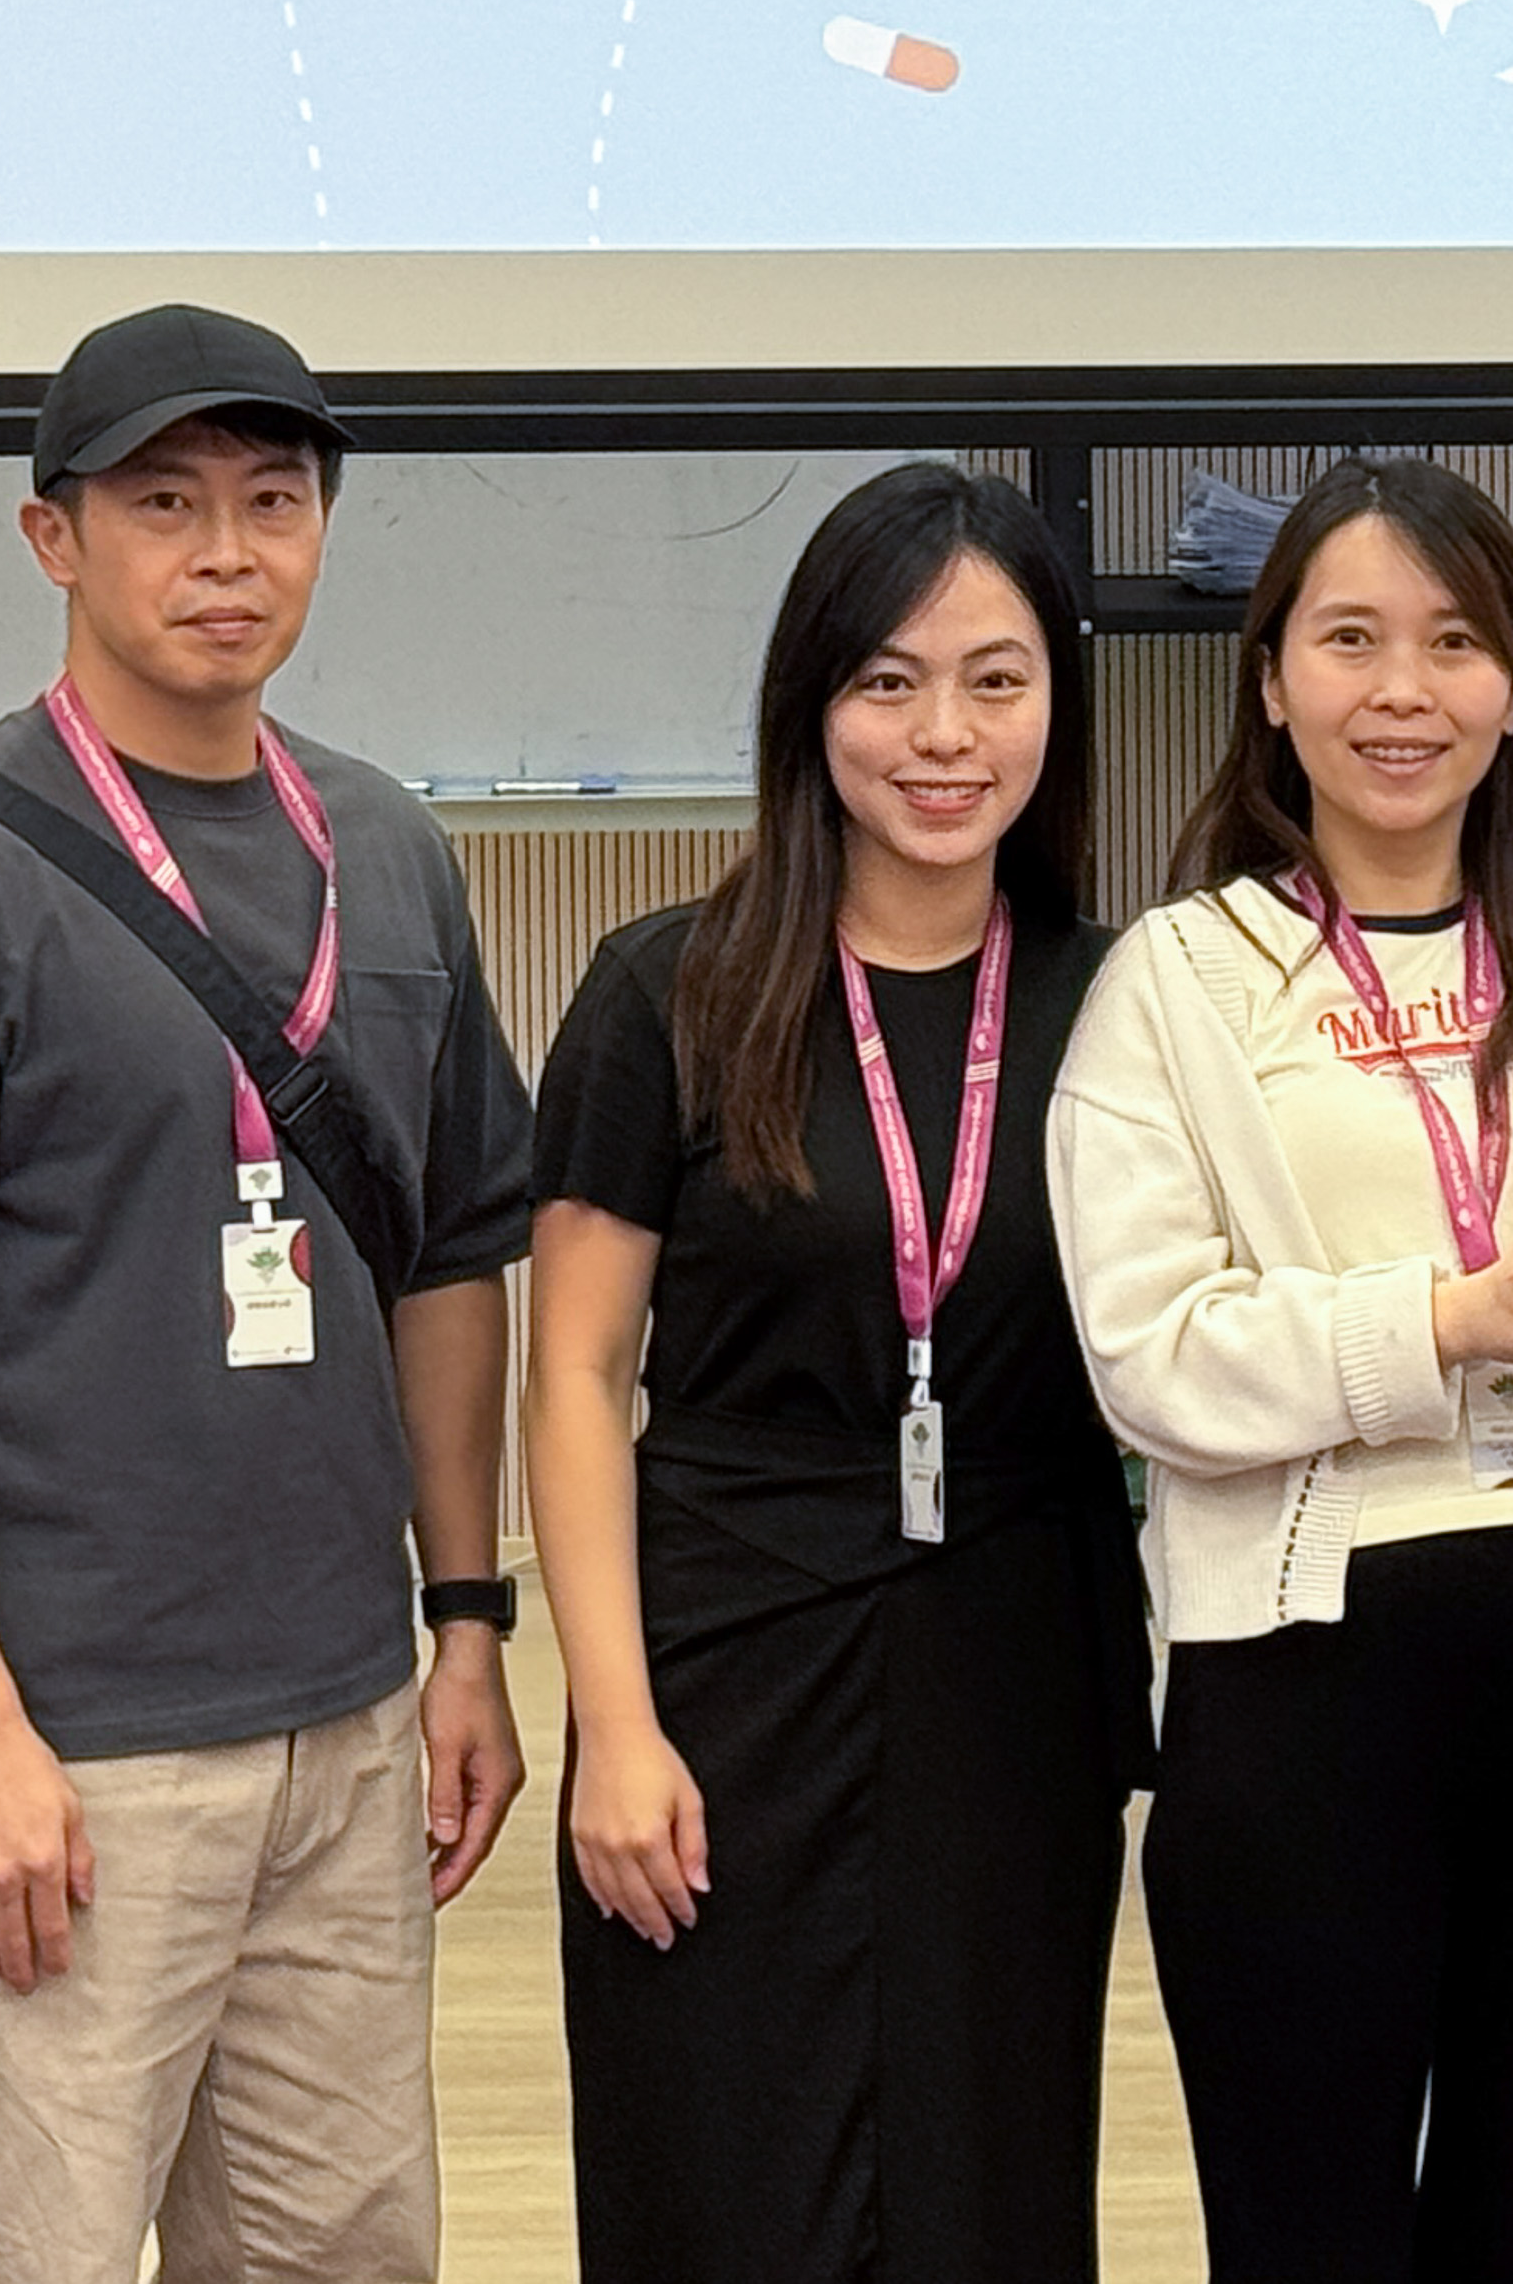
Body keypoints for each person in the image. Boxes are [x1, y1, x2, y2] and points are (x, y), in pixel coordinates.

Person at [0, 306, 535, 2284]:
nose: (225, 553)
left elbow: (453, 1260)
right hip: (69, 1737)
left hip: (345, 1721)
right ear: (55, 538)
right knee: (21, 2252)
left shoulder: (387, 850)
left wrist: (464, 1622)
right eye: (164, 505)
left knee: (342, 2255)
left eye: (272, 502)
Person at [1049, 455, 1513, 2284]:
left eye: (1452, 641)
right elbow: (1147, 1351)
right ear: (1272, 681)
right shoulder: (1179, 978)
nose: (1402, 690)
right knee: (1310, 2241)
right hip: (1302, 1692)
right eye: (1349, 639)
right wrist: (1438, 1318)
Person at [529, 462, 1145, 2275]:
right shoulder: (669, 990)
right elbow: (577, 1375)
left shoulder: (1129, 1001)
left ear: (1058, 705)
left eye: (996, 679)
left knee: (988, 2182)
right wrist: (612, 1725)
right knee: (720, 2174)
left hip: (1018, 1666)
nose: (944, 734)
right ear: (810, 703)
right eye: (889, 681)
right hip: (724, 1662)